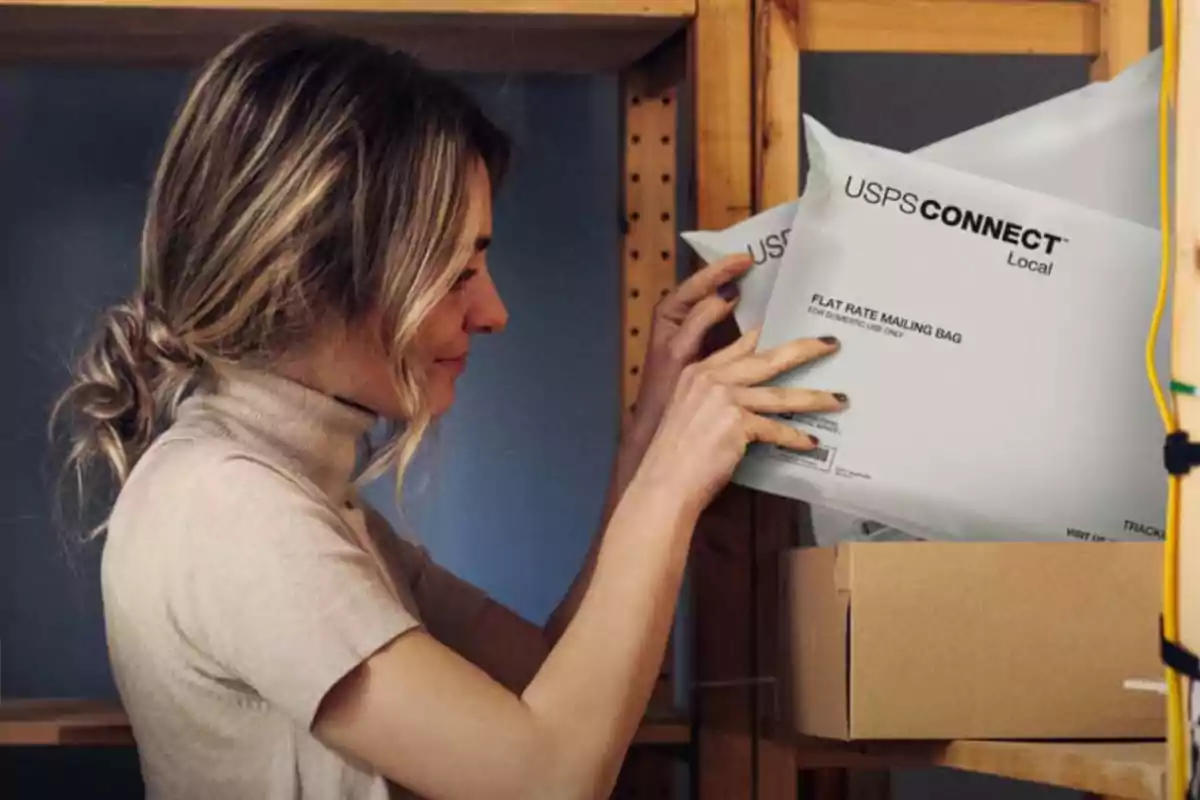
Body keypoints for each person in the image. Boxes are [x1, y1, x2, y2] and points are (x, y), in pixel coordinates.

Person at [49, 23, 845, 800]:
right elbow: (547, 779)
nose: (494, 312)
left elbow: (551, 678)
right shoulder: (232, 509)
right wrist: (671, 485)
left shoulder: (288, 490)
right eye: (456, 270)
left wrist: (652, 431)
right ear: (313, 271)